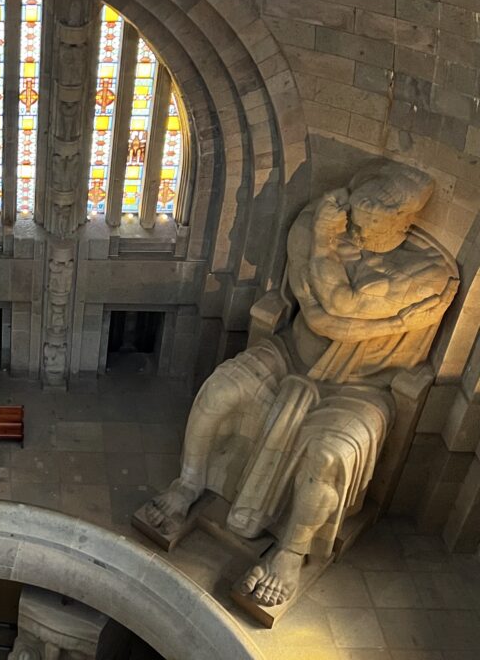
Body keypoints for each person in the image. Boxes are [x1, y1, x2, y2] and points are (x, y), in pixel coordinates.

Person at [136, 161, 458, 607]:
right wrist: (326, 264)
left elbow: (340, 309)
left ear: (402, 220)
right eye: (356, 220)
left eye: (372, 223)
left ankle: (291, 551)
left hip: (361, 388)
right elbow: (321, 312)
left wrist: (326, 249)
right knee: (222, 389)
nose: (357, 230)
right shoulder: (318, 220)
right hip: (291, 355)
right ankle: (188, 483)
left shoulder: (429, 274)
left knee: (329, 455)